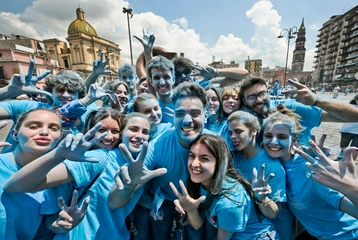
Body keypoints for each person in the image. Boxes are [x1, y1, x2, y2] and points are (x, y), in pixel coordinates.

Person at [4, 112, 166, 239]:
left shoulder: (140, 164)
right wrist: (58, 155)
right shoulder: (98, 158)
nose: (139, 135)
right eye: (133, 129)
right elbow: (17, 187)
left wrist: (159, 205)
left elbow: (125, 203)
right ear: (122, 132)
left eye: (145, 132)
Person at [110, 82, 214, 240]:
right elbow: (114, 202)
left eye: (194, 113)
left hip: (198, 202)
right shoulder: (158, 144)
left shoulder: (216, 145)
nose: (187, 120)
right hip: (163, 201)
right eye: (179, 114)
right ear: (173, 116)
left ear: (206, 115)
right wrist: (128, 186)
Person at [261, 104, 358, 239]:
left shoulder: (311, 170)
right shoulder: (274, 167)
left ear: (294, 139)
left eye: (282, 137)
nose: (273, 142)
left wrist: (352, 187)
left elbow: (354, 212)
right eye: (268, 135)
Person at [170, 134, 279, 239]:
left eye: (204, 158)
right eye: (192, 156)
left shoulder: (229, 203)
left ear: (219, 163)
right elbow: (197, 225)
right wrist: (191, 210)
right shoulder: (202, 182)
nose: (194, 164)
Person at [0, 108, 88, 239]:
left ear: (61, 138)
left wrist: (59, 224)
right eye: (34, 126)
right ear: (14, 134)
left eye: (53, 128)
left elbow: (47, 219)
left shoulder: (58, 176)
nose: (44, 132)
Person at [239, 77, 358, 147]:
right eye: (252, 97)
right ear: (244, 101)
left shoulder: (290, 107)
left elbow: (355, 116)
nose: (259, 100)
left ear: (268, 92)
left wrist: (317, 101)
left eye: (262, 94)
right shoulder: (243, 118)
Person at [227, 111, 289, 239]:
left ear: (254, 130)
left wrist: (263, 199)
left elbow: (273, 214)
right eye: (230, 133)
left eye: (238, 131)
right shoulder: (232, 159)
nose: (233, 136)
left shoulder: (273, 166)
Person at [337, 93, 358, 160]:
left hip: (348, 130)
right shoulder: (349, 106)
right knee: (348, 146)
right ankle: (349, 160)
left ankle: (348, 159)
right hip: (348, 130)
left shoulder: (349, 106)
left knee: (354, 148)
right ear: (355, 100)